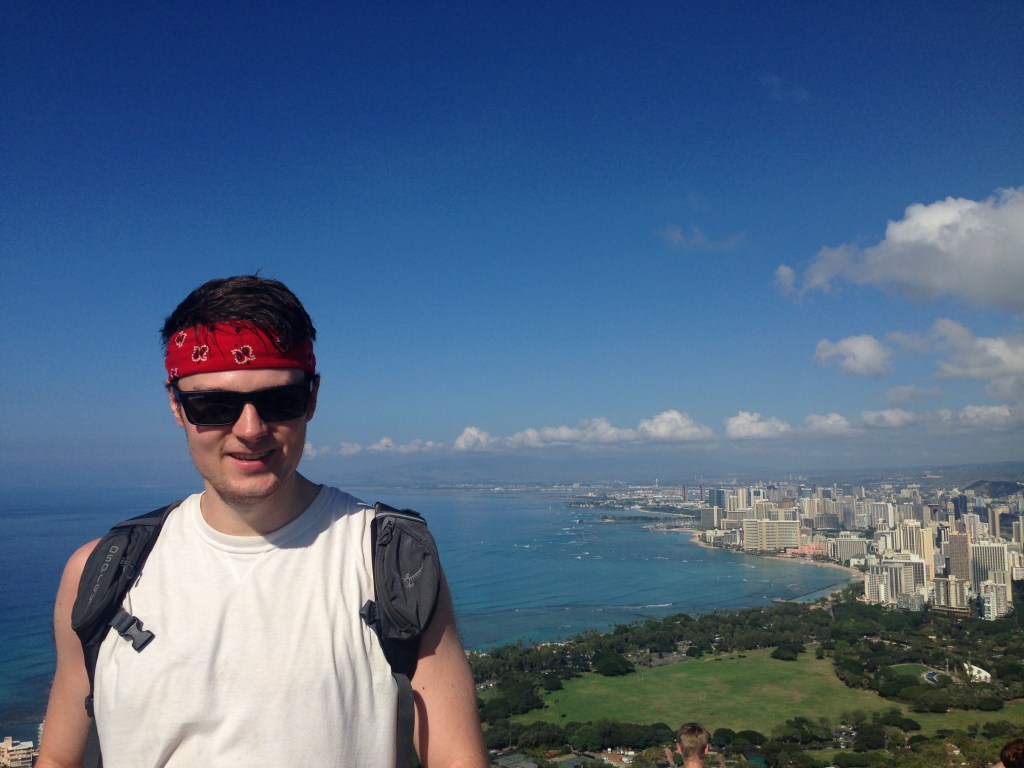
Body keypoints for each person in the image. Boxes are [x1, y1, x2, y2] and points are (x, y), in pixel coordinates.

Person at [37, 275, 488, 768]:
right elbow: (60, 757)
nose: (250, 429)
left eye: (278, 401)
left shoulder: (396, 561)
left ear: (311, 398)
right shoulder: (99, 573)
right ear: (176, 406)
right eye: (214, 405)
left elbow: (455, 756)